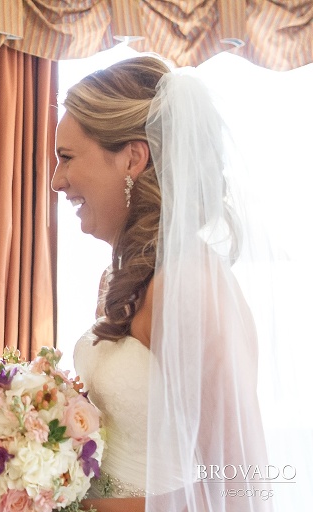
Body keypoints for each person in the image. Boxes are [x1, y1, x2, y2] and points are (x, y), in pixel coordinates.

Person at [51, 55, 294, 511]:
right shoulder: (120, 280)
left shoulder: (191, 287)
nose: (55, 180)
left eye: (66, 158)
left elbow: (236, 477)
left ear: (133, 158)